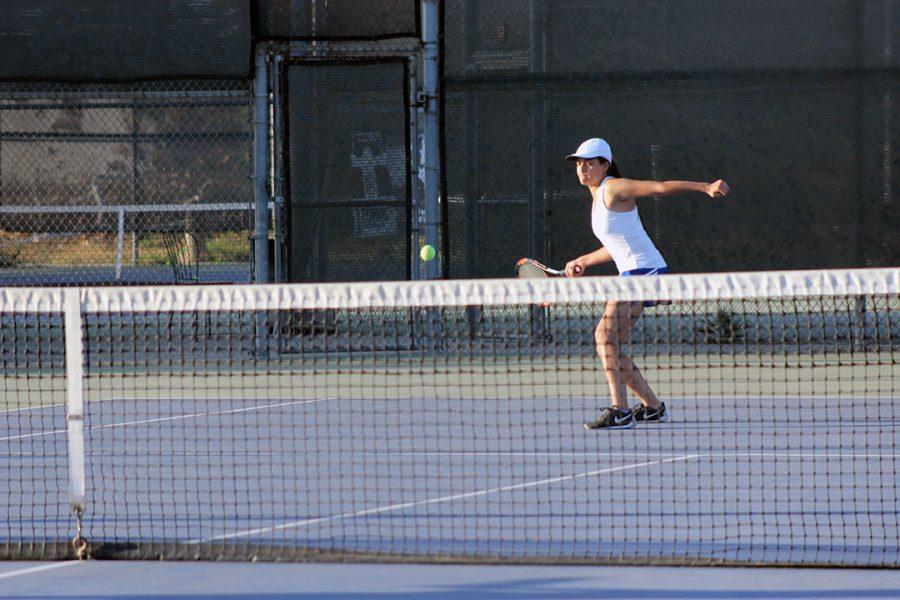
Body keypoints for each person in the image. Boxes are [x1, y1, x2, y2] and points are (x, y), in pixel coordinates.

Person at [563, 138, 730, 430]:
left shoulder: (614, 187)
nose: (583, 167)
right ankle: (653, 408)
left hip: (643, 273)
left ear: (605, 164)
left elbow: (660, 187)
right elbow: (617, 245)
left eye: (590, 162)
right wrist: (585, 260)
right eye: (579, 162)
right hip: (635, 272)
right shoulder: (598, 198)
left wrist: (704, 187)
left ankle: (621, 411)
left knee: (605, 339)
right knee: (609, 343)